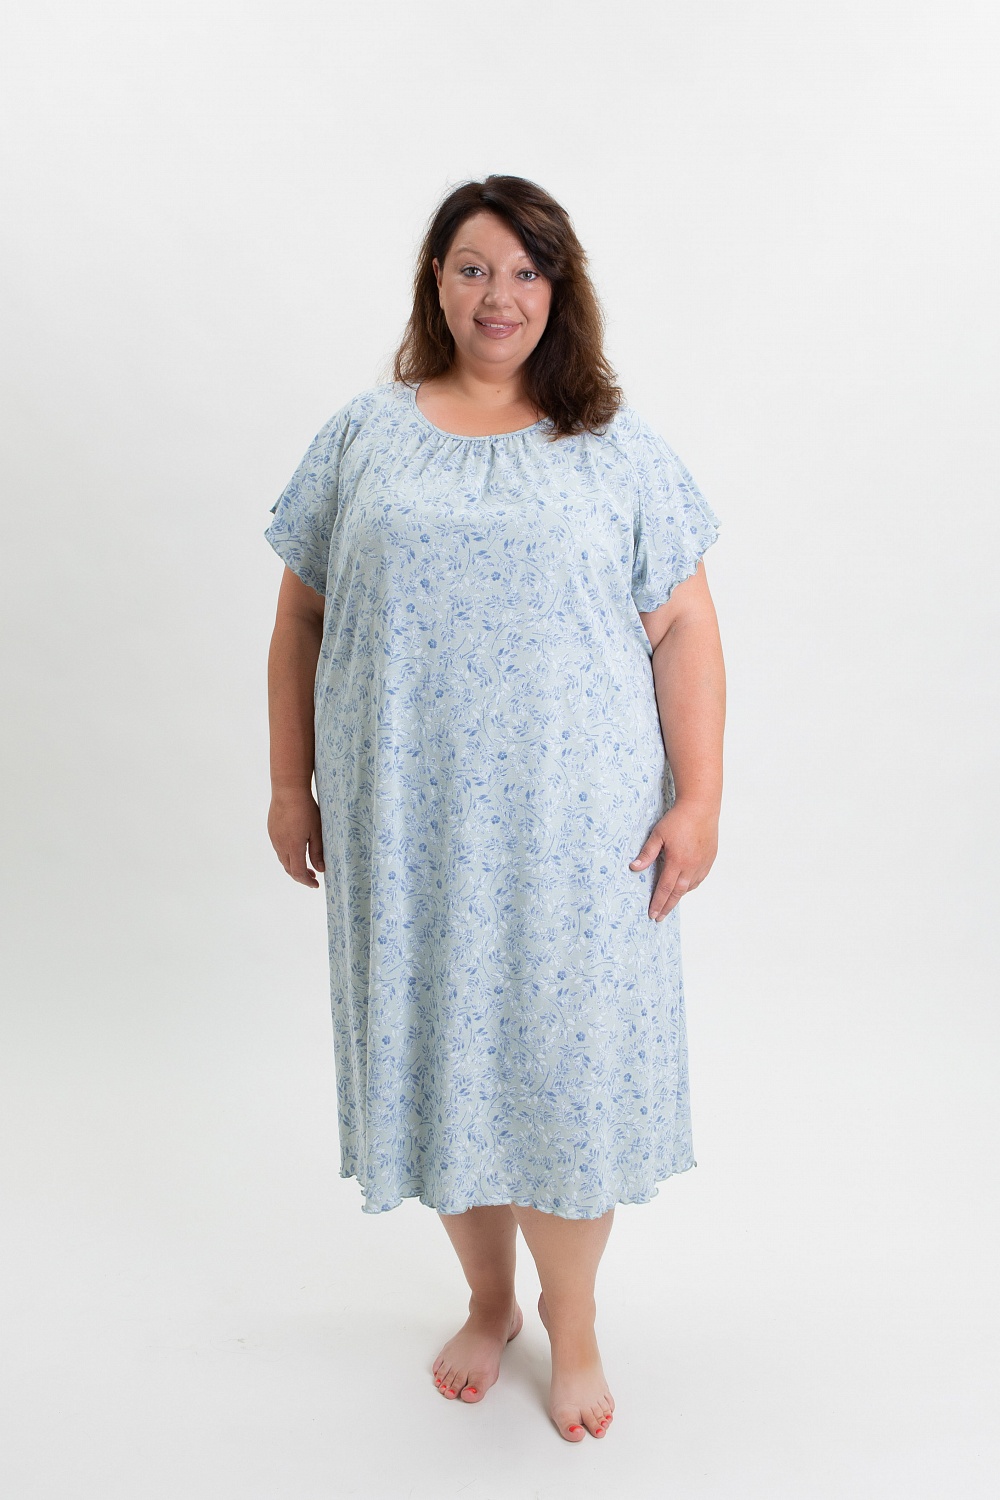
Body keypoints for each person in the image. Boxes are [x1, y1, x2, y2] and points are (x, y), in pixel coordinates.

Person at [264, 174, 726, 1444]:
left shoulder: (613, 444)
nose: (499, 295)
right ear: (437, 281)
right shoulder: (362, 436)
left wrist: (699, 800)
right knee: (444, 1069)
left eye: (526, 271)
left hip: (579, 836)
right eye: (473, 267)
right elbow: (300, 615)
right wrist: (290, 781)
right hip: (407, 831)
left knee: (562, 1078)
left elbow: (685, 624)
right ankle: (488, 1299)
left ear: (559, 290)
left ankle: (573, 1324)